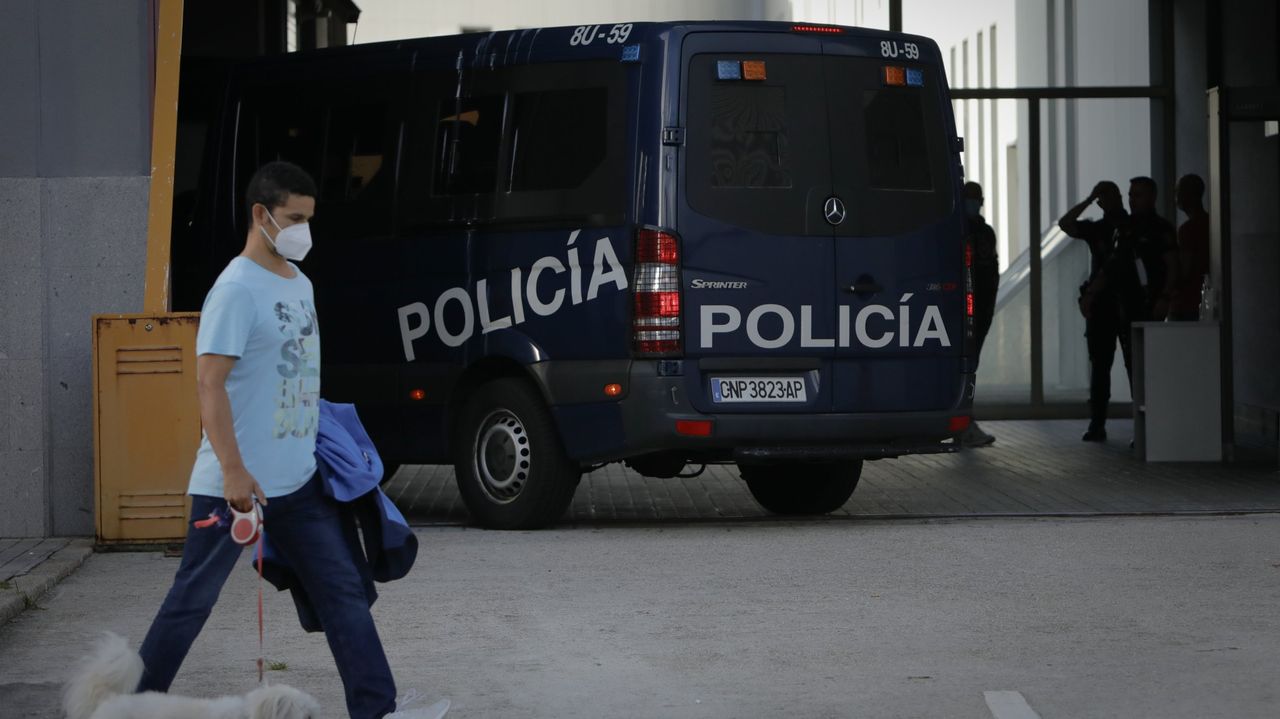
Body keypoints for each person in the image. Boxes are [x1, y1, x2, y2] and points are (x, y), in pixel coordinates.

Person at [135, 161, 448, 719]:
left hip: (301, 484)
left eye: (308, 218)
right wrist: (232, 470)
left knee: (344, 594)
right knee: (191, 604)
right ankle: (124, 706)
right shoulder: (233, 289)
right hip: (234, 486)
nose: (304, 230)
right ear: (261, 215)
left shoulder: (300, 283)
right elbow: (209, 383)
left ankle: (377, 711)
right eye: (293, 218)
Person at [1059, 181, 1126, 441]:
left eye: (1111, 195)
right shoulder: (1098, 230)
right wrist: (1088, 199)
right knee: (1100, 368)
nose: (1107, 201)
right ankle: (1097, 422)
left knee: (1136, 366)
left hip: (1124, 303)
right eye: (1103, 197)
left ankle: (1144, 422)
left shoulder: (1129, 227)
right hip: (1102, 308)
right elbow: (1065, 224)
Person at [961, 181, 998, 447]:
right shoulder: (957, 230)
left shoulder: (985, 233)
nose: (973, 203)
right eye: (969, 198)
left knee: (972, 363)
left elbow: (990, 274)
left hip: (980, 309)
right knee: (965, 364)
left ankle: (966, 421)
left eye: (976, 198)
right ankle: (964, 421)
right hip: (963, 310)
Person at [1168, 173, 1210, 321]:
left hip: (1189, 302)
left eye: (1178, 192)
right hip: (1206, 300)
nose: (1176, 197)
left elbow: (1185, 269)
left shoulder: (1188, 229)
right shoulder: (1211, 223)